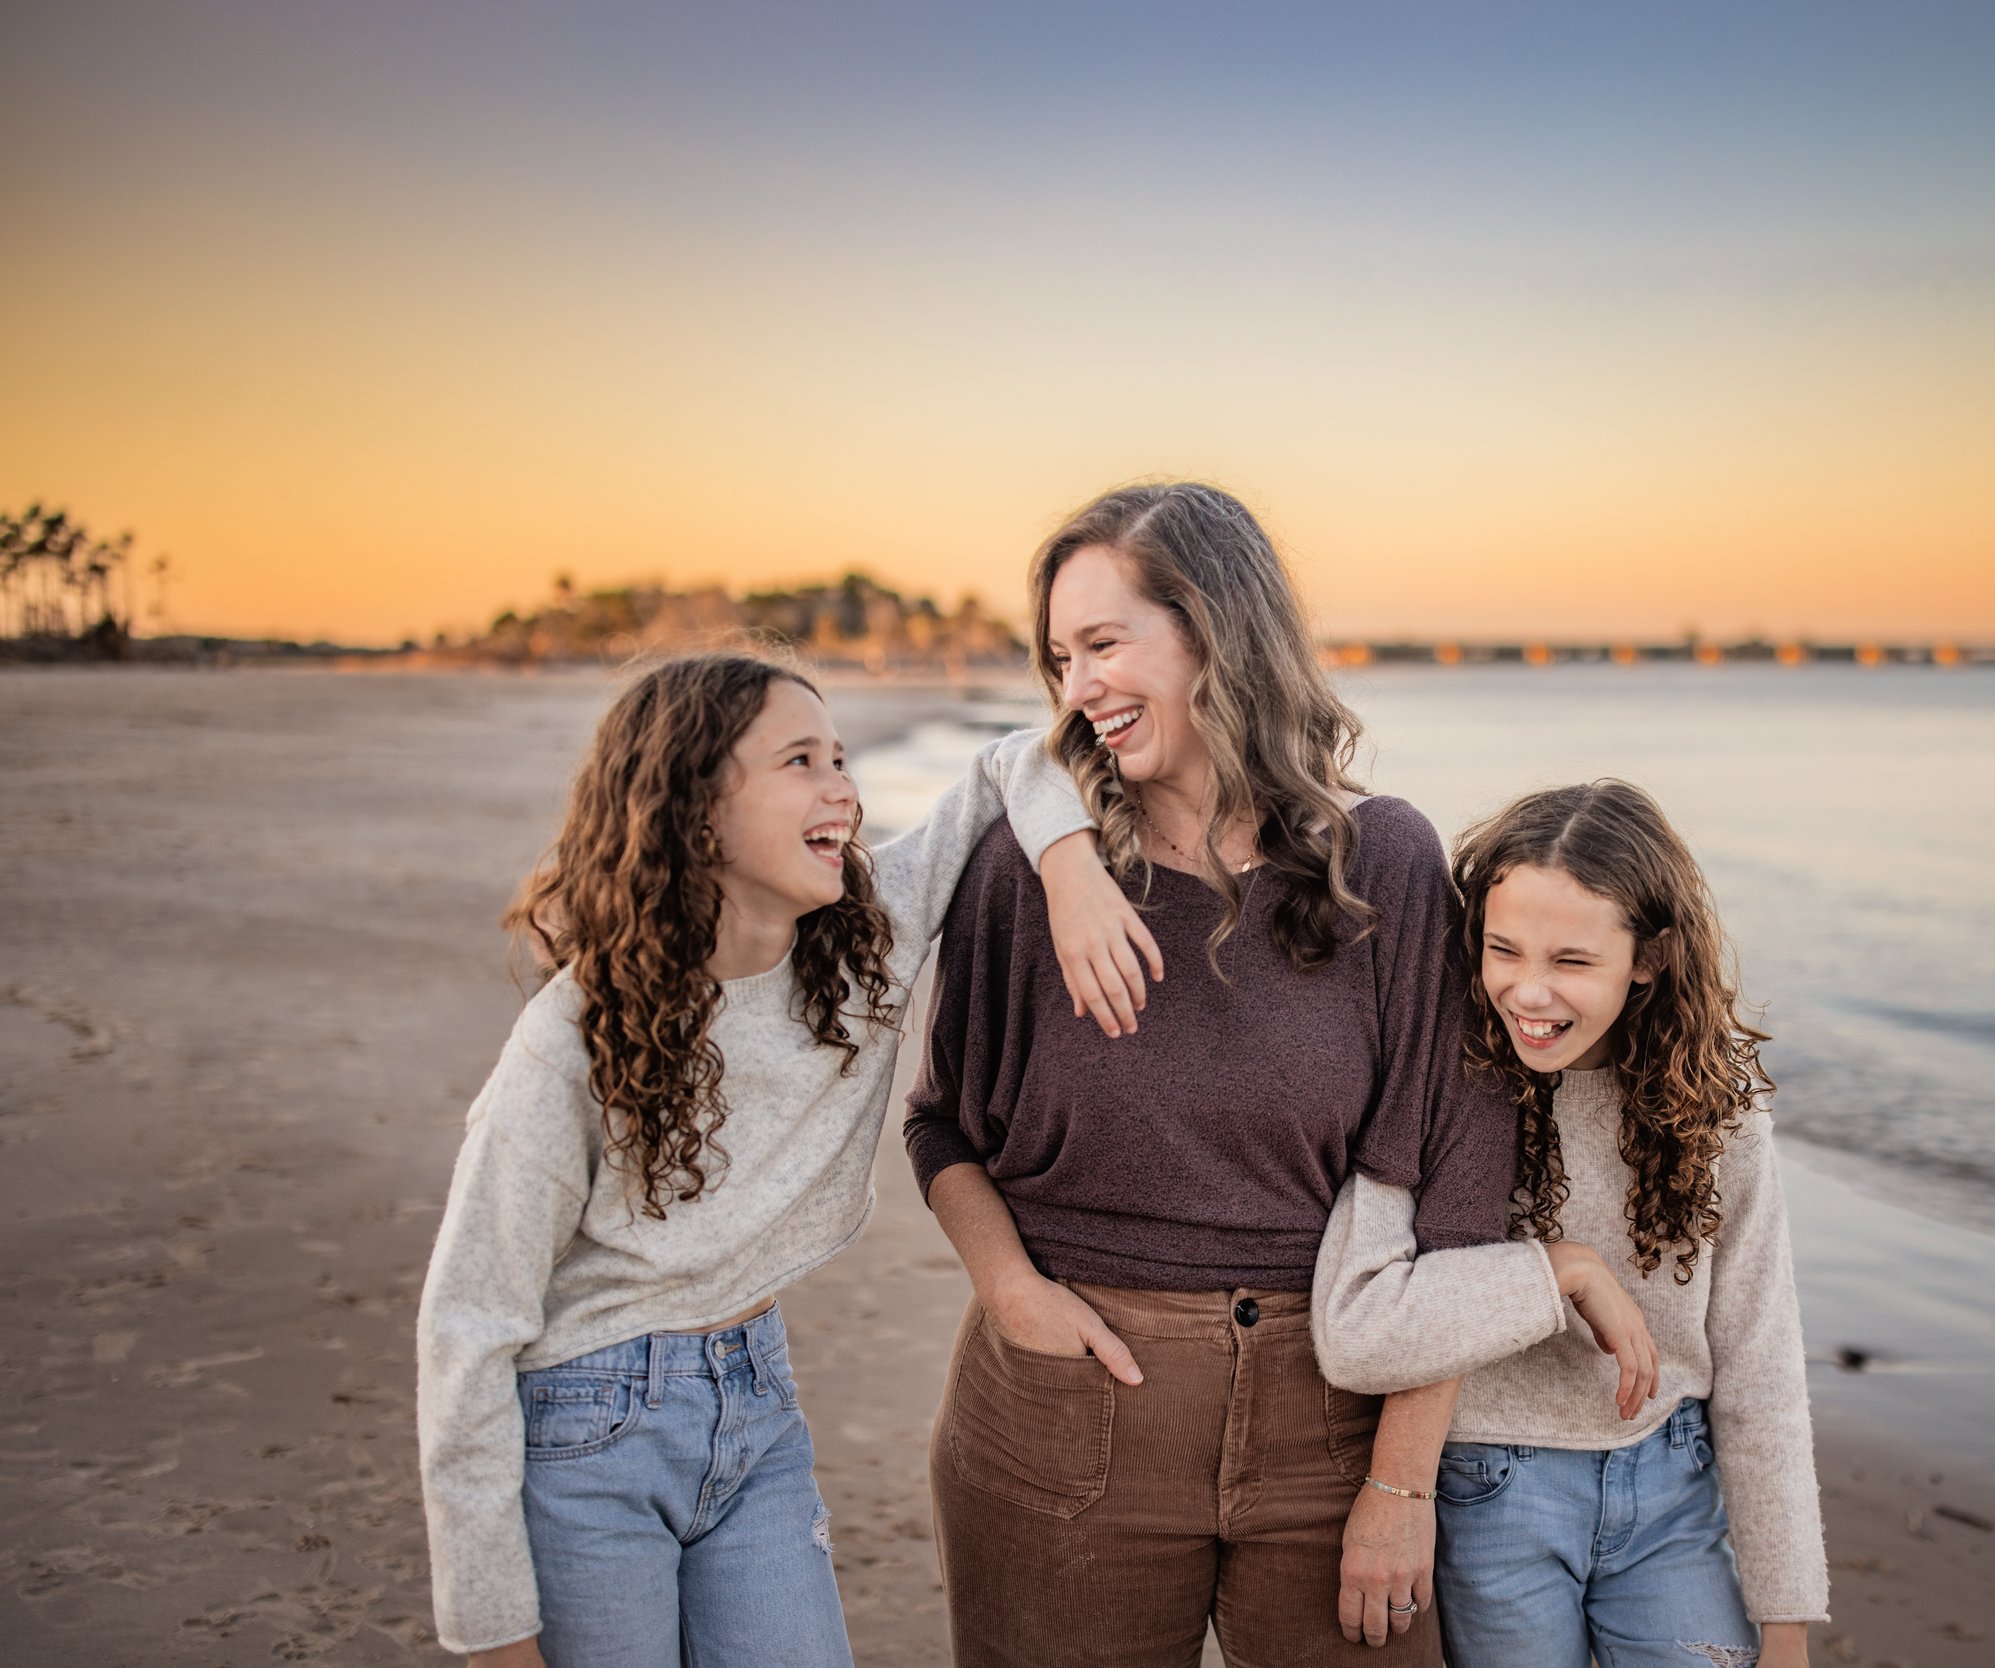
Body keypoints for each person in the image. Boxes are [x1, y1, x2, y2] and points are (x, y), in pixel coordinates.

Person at [902, 483, 1654, 1668]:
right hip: (1063, 1410)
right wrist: (1009, 1292)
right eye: (1059, 656)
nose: (1078, 685)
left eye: (1106, 643)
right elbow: (941, 1125)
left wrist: (1402, 1486)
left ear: (1218, 630)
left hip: (1334, 1414)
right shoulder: (1025, 871)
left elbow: (1461, 1189)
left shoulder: (1385, 863)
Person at [414, 649, 1160, 1668]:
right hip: (587, 1430)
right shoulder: (576, 1035)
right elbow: (467, 1323)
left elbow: (1009, 764)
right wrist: (495, 1630)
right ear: (695, 810)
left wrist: (1069, 872)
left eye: (841, 756)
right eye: (800, 761)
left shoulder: (867, 937)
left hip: (756, 1401)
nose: (843, 788)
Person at [1313, 781, 1828, 1668]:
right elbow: (1361, 1330)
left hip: (1673, 1484)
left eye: (1573, 962)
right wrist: (1559, 1270)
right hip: (1493, 1487)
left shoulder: (1716, 1101)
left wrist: (1784, 1625)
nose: (1529, 991)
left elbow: (1762, 1365)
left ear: (1650, 957)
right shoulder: (1444, 1082)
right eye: (1502, 949)